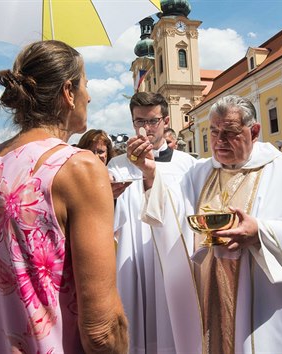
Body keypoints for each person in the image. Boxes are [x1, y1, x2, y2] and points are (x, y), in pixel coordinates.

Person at [128, 95, 282, 353]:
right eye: (214, 132)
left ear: (255, 131)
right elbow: (172, 214)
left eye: (230, 132)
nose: (219, 141)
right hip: (211, 293)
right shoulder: (201, 172)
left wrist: (262, 232)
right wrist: (150, 174)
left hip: (264, 301)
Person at [0, 40, 128, 352]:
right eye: (86, 85)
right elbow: (101, 329)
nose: (89, 97)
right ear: (68, 92)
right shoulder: (78, 167)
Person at [107, 92, 196, 353]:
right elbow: (110, 220)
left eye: (152, 121)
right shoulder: (117, 166)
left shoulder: (188, 165)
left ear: (166, 121)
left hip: (173, 259)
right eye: (138, 122)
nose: (145, 128)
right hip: (131, 260)